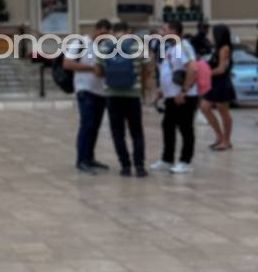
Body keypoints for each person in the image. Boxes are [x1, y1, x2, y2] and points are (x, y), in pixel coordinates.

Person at [97, 22, 152, 177]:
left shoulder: (104, 47)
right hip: (132, 95)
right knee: (136, 132)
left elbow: (98, 71)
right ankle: (139, 166)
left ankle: (125, 166)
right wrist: (141, 85)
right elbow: (147, 68)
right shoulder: (138, 46)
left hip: (112, 96)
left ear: (113, 32)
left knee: (117, 132)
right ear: (128, 31)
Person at [63, 18, 112, 174]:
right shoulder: (81, 43)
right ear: (96, 30)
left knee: (95, 126)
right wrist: (91, 69)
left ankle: (90, 157)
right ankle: (81, 160)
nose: (103, 37)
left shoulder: (105, 46)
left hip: (101, 91)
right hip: (85, 90)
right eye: (102, 33)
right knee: (87, 125)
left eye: (107, 34)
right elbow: (67, 63)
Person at [150, 22, 198, 174]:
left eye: (164, 29)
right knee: (168, 126)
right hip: (171, 95)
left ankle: (185, 161)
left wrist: (184, 91)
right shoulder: (172, 48)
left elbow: (192, 68)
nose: (161, 32)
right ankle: (167, 159)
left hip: (183, 96)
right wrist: (162, 90)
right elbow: (173, 70)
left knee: (185, 128)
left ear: (174, 31)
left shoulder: (183, 46)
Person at [201, 23, 234, 151]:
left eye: (213, 33)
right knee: (205, 107)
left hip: (221, 82)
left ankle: (226, 141)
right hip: (214, 82)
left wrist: (205, 73)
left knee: (223, 112)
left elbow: (221, 69)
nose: (212, 35)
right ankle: (220, 136)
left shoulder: (224, 48)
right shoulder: (217, 47)